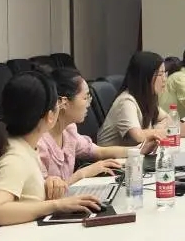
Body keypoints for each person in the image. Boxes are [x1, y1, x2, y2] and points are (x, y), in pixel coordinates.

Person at [0, 72, 101, 241]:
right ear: (50, 116)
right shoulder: (15, 158)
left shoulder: (25, 145)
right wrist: (56, 205)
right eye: (57, 103)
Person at [39, 68, 140, 198]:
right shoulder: (40, 143)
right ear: (64, 102)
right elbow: (43, 197)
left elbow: (98, 151)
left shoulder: (68, 130)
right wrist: (82, 174)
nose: (88, 104)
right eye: (85, 97)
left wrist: (137, 150)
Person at [98, 51, 185, 147]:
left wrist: (157, 129)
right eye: (160, 74)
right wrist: (175, 131)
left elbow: (167, 118)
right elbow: (138, 136)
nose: (164, 79)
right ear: (145, 77)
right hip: (111, 156)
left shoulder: (146, 97)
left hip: (134, 153)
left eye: (165, 74)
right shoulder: (126, 102)